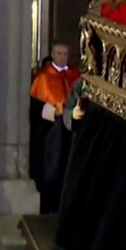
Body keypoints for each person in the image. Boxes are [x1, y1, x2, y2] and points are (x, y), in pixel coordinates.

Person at [30, 43, 81, 205]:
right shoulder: (43, 77)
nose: (62, 57)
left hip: (72, 128)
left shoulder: (75, 75)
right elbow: (35, 105)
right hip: (51, 129)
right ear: (52, 54)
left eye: (65, 54)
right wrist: (55, 112)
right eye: (59, 53)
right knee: (52, 168)